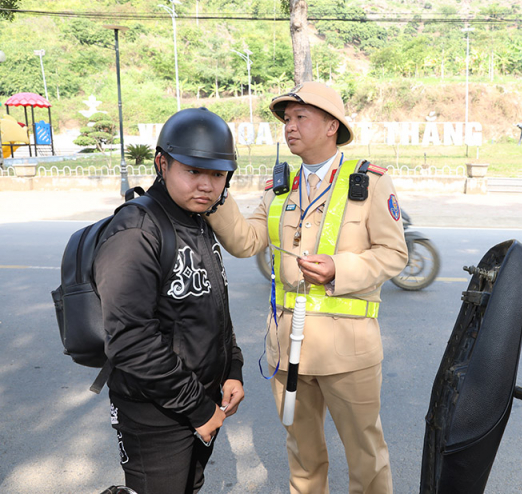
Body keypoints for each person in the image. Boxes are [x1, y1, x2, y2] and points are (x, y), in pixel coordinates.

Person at [205, 81, 408, 494]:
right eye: (286, 119)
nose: (289, 127)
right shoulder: (279, 187)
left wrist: (339, 268)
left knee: (366, 457)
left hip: (348, 350)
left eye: (301, 117)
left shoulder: (369, 182)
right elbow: (246, 241)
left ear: (332, 125)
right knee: (302, 456)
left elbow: (393, 254)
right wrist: (215, 191)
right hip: (287, 348)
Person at [94, 107, 244, 494]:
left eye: (216, 173)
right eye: (193, 171)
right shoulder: (137, 229)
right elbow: (130, 340)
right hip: (155, 413)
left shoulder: (198, 222)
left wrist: (233, 370)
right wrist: (197, 407)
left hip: (201, 404)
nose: (207, 185)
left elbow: (214, 310)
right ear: (162, 164)